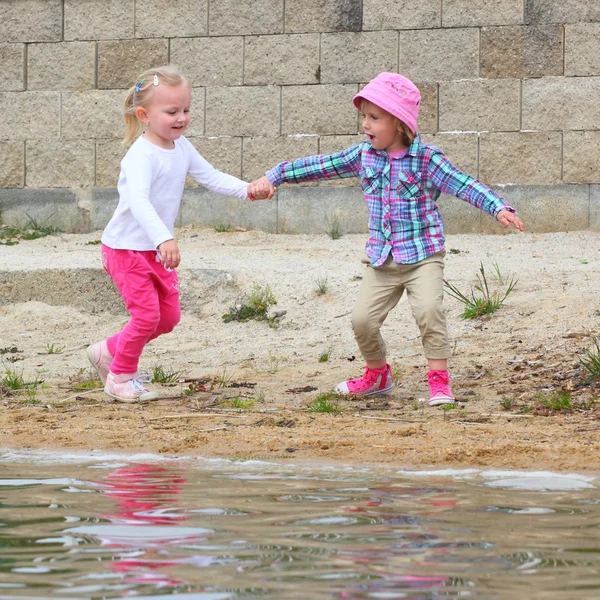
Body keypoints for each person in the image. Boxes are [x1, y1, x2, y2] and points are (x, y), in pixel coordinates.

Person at [251, 72, 523, 405]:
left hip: (423, 255)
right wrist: (276, 175)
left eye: (374, 117)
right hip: (382, 258)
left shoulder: (426, 159)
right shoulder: (363, 155)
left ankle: (439, 382)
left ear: (399, 122)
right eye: (364, 116)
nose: (366, 124)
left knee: (428, 311)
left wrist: (498, 207)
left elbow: (463, 184)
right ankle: (378, 375)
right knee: (362, 320)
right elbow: (321, 165)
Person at [87, 65, 275, 403]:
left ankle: (106, 352)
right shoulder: (140, 155)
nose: (181, 118)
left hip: (154, 249)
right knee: (146, 316)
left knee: (168, 317)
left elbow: (212, 176)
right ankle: (119, 377)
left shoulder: (182, 147)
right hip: (127, 250)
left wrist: (247, 190)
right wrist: (164, 238)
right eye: (172, 111)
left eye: (186, 110)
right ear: (144, 114)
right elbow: (139, 201)